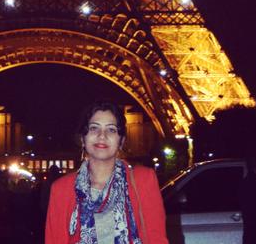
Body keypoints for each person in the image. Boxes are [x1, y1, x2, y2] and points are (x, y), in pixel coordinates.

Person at [45, 101, 167, 244]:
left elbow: (156, 238)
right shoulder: (61, 189)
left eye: (111, 129)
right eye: (94, 128)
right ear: (83, 139)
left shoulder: (144, 180)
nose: (102, 135)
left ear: (121, 141)